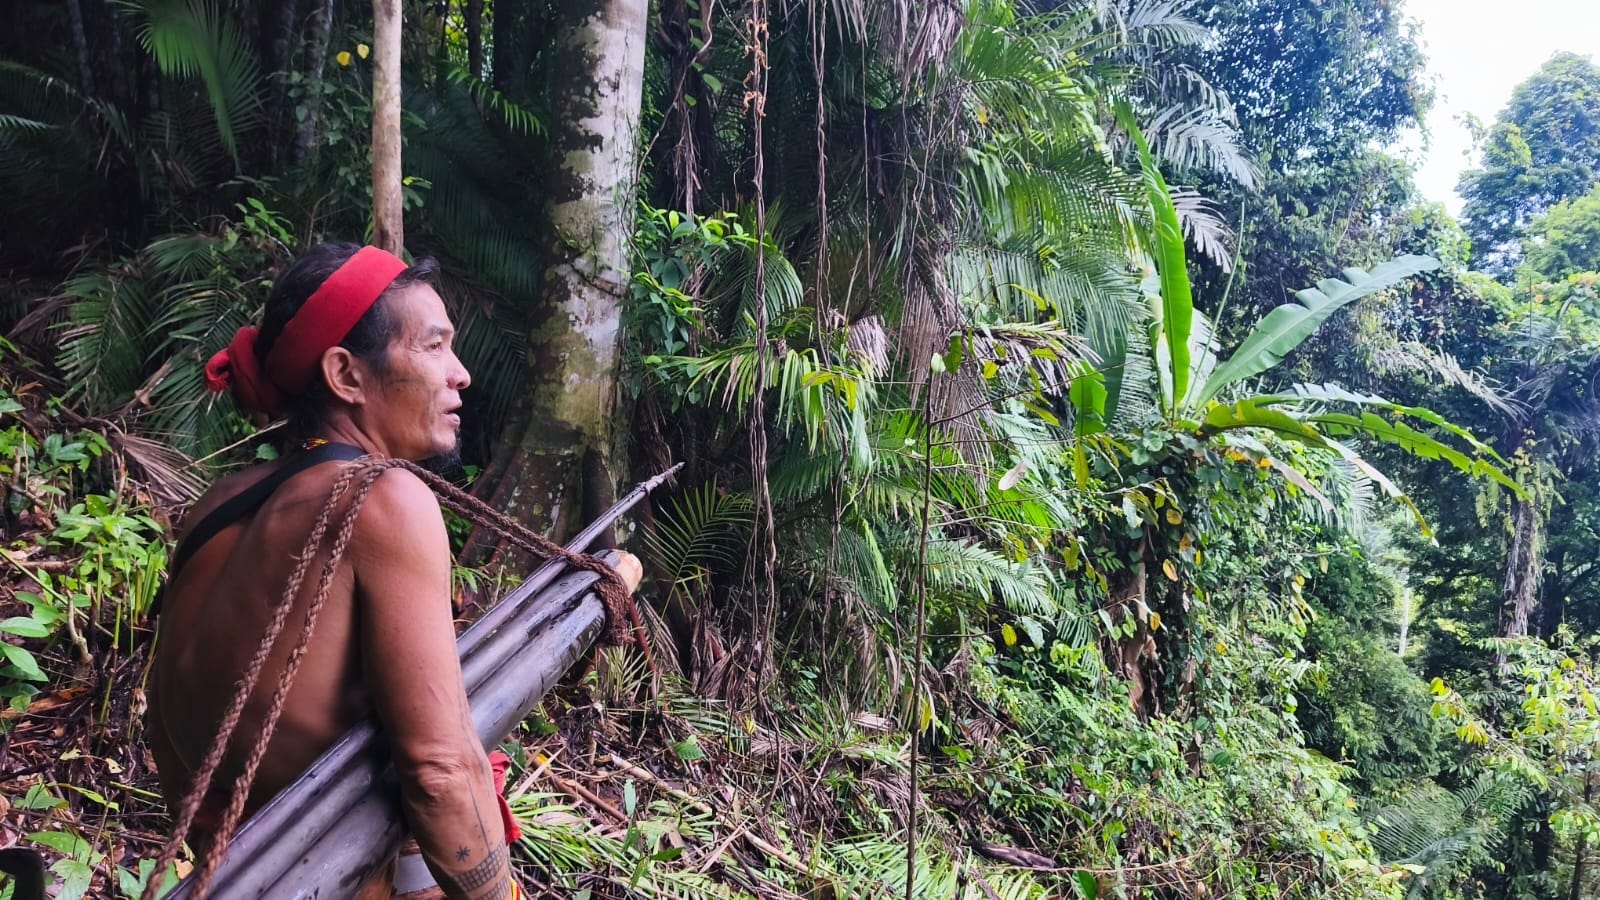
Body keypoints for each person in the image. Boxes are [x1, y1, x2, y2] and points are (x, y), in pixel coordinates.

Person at [146, 243, 642, 899]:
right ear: (346, 376)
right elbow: (437, 771)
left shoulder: (219, 504)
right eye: (434, 347)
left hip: (230, 872)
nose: (460, 374)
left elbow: (176, 724)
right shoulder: (381, 500)